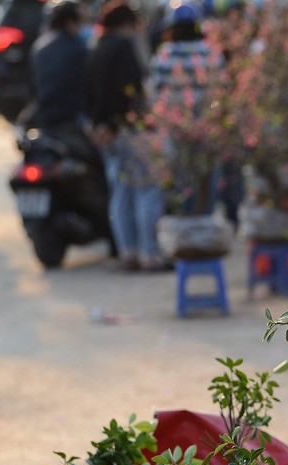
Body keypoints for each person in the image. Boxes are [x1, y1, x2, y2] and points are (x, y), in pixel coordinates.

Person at [87, 0, 166, 271]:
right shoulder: (122, 48)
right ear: (127, 23)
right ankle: (150, 254)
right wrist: (113, 123)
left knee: (121, 192)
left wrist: (99, 125)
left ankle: (128, 252)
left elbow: (92, 93)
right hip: (129, 130)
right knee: (147, 188)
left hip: (105, 133)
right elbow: (128, 90)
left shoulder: (96, 47)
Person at [147, 0, 224, 216]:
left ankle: (185, 218)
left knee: (180, 177)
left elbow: (155, 91)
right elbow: (220, 90)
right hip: (205, 125)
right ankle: (204, 218)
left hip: (174, 127)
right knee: (206, 176)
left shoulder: (165, 53)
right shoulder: (210, 52)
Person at [28, 1, 90, 132]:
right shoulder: (77, 47)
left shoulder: (39, 46)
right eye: (82, 21)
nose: (84, 26)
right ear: (69, 22)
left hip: (44, 115)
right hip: (72, 117)